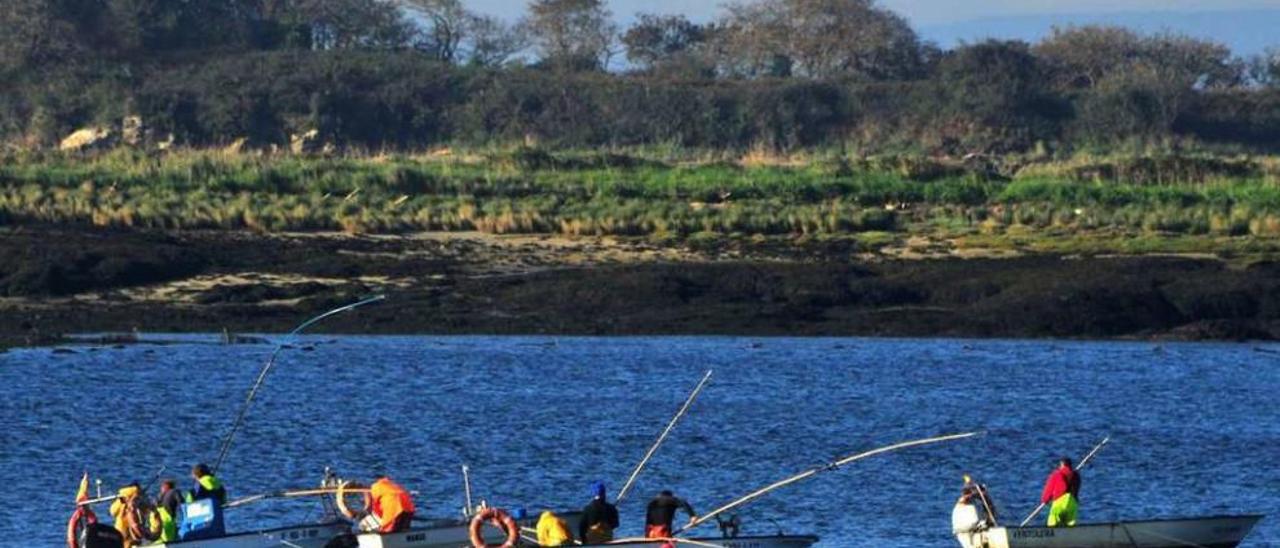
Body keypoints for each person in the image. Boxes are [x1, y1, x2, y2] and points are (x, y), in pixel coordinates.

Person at [1040, 457, 1081, 528]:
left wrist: (1045, 500)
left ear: (1062, 465)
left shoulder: (1056, 474)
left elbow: (1048, 490)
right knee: (1071, 524)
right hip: (1073, 503)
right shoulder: (1076, 475)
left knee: (1052, 521)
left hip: (1059, 502)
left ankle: (1053, 535)